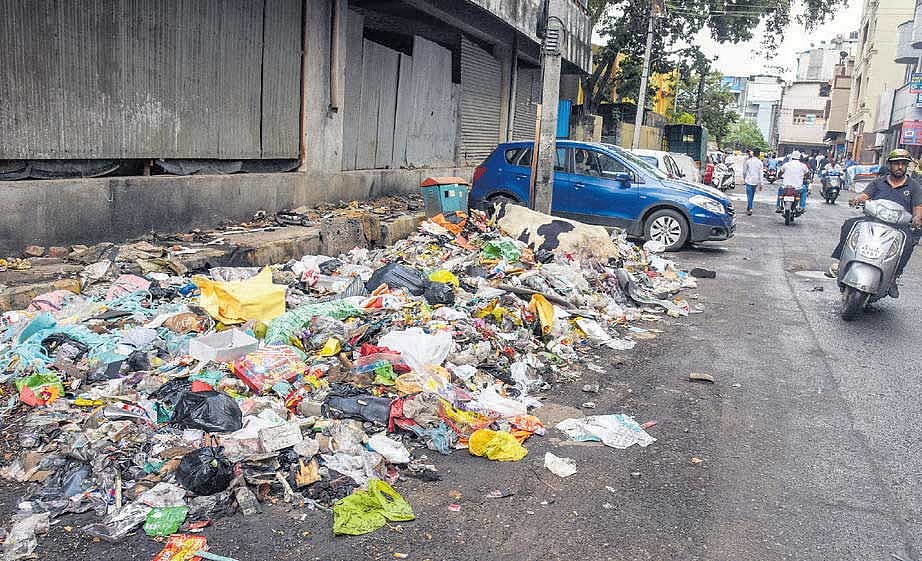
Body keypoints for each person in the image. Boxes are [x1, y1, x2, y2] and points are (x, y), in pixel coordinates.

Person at [828, 149, 922, 296]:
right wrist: (857, 199)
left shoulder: (914, 186)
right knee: (849, 225)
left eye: (903, 164)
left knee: (908, 243)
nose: (900, 167)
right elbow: (865, 195)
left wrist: (917, 218)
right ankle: (841, 263)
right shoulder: (879, 181)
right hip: (873, 220)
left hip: (899, 226)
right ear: (890, 165)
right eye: (896, 164)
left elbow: (918, 207)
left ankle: (893, 278)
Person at [743, 148, 763, 215]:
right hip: (755, 181)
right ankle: (749, 208)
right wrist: (761, 183)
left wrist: (744, 178)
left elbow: (744, 171)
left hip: (748, 180)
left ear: (753, 153)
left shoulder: (748, 161)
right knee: (752, 195)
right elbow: (761, 174)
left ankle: (750, 208)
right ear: (759, 154)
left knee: (749, 196)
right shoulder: (760, 162)